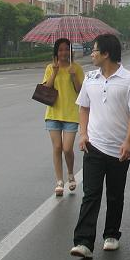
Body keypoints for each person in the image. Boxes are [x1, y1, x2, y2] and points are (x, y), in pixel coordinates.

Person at [70, 34, 130, 260]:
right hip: (93, 146)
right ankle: (83, 242)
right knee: (91, 194)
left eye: (95, 50)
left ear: (106, 53)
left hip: (118, 149)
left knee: (115, 194)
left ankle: (111, 234)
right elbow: (83, 108)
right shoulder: (90, 78)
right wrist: (83, 134)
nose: (91, 54)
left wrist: (128, 141)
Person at [40, 38, 85, 196]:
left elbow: (80, 90)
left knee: (67, 148)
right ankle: (59, 180)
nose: (63, 52)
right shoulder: (50, 67)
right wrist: (54, 72)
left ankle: (70, 174)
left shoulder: (76, 68)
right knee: (57, 147)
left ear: (70, 51)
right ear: (56, 52)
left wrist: (73, 76)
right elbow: (46, 88)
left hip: (71, 114)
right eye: (60, 50)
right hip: (53, 113)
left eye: (66, 49)